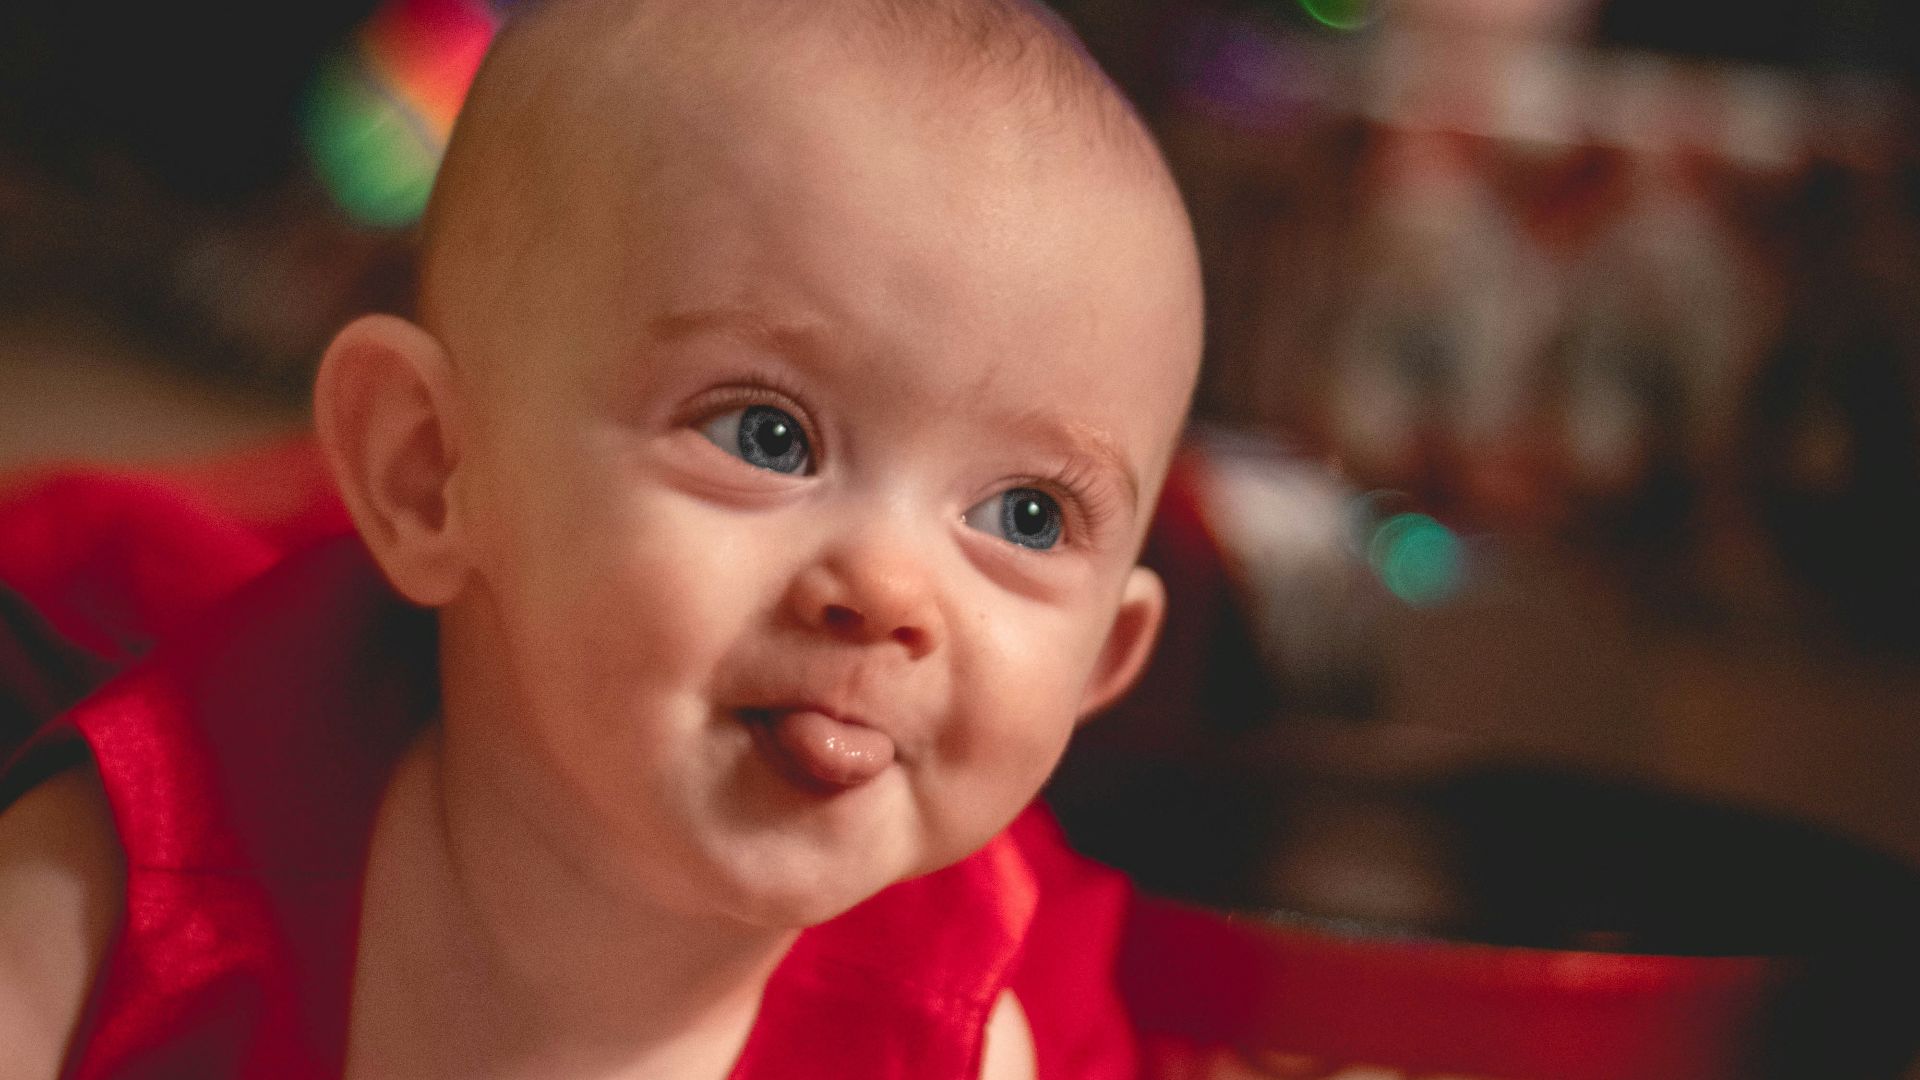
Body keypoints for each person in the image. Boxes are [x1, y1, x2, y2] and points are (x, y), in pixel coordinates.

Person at [0, 0, 1204, 1076]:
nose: (892, 591)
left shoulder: (950, 1032)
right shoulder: (129, 897)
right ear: (428, 473)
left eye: (1026, 518)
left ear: (1103, 658)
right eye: (766, 435)